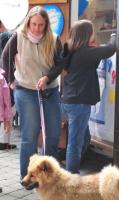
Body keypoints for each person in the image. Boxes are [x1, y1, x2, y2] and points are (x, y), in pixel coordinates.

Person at [1, 6, 63, 180]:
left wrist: (48, 78)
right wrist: (11, 82)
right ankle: (27, 177)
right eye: (33, 24)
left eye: (40, 25)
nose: (36, 28)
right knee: (30, 135)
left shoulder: (54, 39)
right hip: (26, 90)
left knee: (52, 135)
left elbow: (60, 64)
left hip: (49, 90)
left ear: (46, 25)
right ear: (28, 22)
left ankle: (50, 177)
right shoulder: (18, 37)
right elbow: (5, 58)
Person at [60, 20, 116, 174]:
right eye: (92, 32)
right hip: (79, 103)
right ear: (86, 35)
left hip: (69, 100)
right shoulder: (84, 53)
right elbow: (111, 49)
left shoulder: (72, 50)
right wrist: (114, 35)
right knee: (76, 142)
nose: (94, 34)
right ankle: (72, 174)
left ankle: (71, 164)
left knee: (84, 138)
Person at [0, 20, 16, 150]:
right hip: (5, 77)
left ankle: (5, 141)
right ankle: (4, 141)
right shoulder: (6, 36)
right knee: (9, 108)